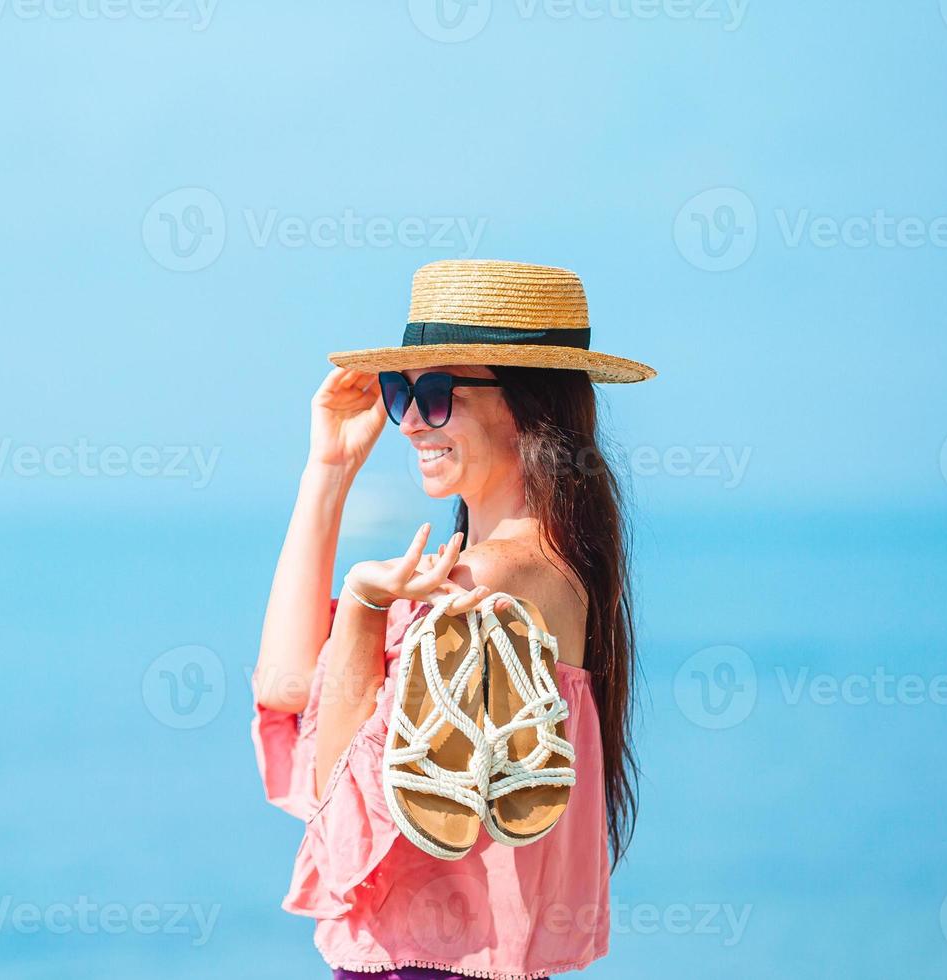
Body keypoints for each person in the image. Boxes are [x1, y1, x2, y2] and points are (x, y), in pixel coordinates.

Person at [251, 260, 655, 978]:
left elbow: (332, 791)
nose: (408, 420)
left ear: (530, 406)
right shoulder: (549, 565)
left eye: (437, 394)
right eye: (399, 390)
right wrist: (329, 469)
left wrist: (366, 606)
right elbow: (288, 685)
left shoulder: (483, 581)